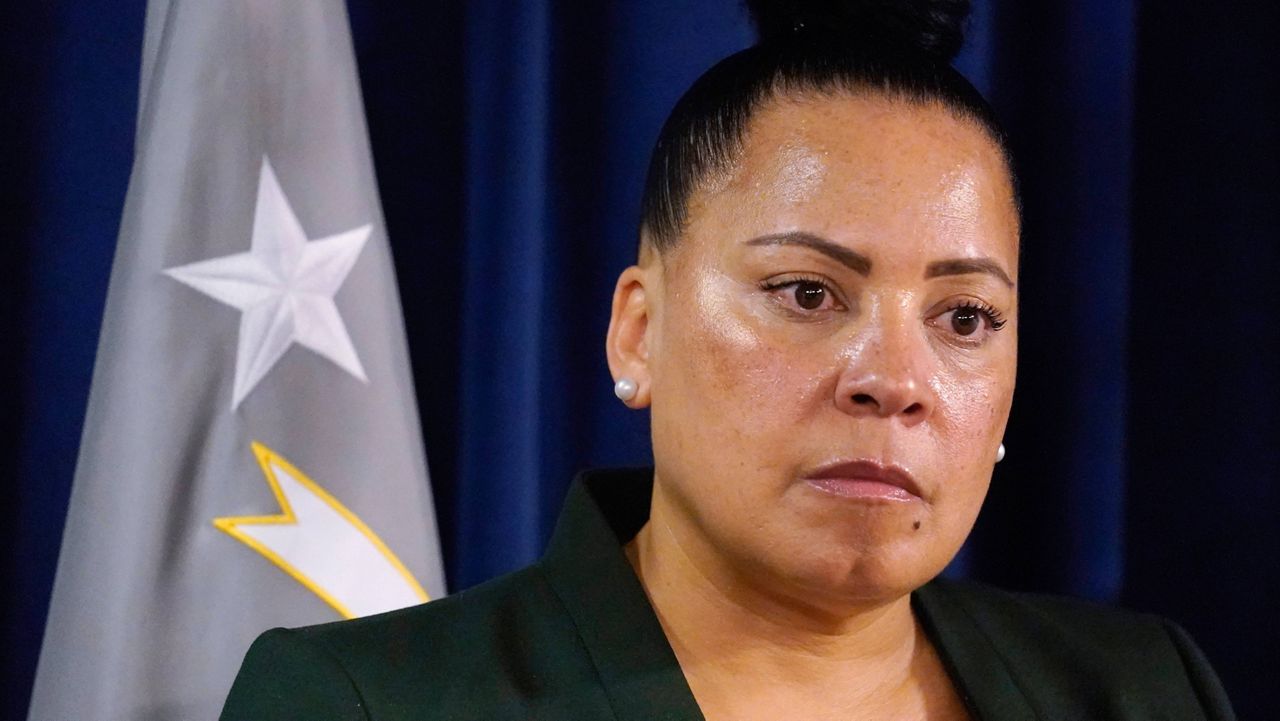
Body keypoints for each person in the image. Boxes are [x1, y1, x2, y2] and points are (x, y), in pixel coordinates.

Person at [220, 1, 1236, 719]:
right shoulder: (368, 703)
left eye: (963, 317)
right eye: (806, 293)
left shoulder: (1140, 688)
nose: (893, 377)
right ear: (637, 330)